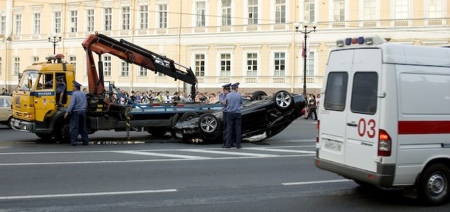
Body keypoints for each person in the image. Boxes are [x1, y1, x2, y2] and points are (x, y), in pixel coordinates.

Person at [64, 80, 89, 146]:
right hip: (83, 112)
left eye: (73, 86)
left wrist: (67, 112)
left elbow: (72, 104)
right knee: (83, 127)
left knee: (74, 127)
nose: (72, 87)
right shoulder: (83, 94)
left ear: (75, 87)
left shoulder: (74, 94)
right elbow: (86, 103)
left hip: (76, 112)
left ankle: (74, 142)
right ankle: (85, 141)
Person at [224, 82, 243, 149]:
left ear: (232, 88)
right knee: (238, 129)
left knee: (229, 129)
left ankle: (228, 144)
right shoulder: (239, 95)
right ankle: (238, 144)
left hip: (229, 113)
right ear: (236, 88)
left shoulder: (228, 95)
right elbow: (241, 103)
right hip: (237, 113)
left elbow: (226, 103)